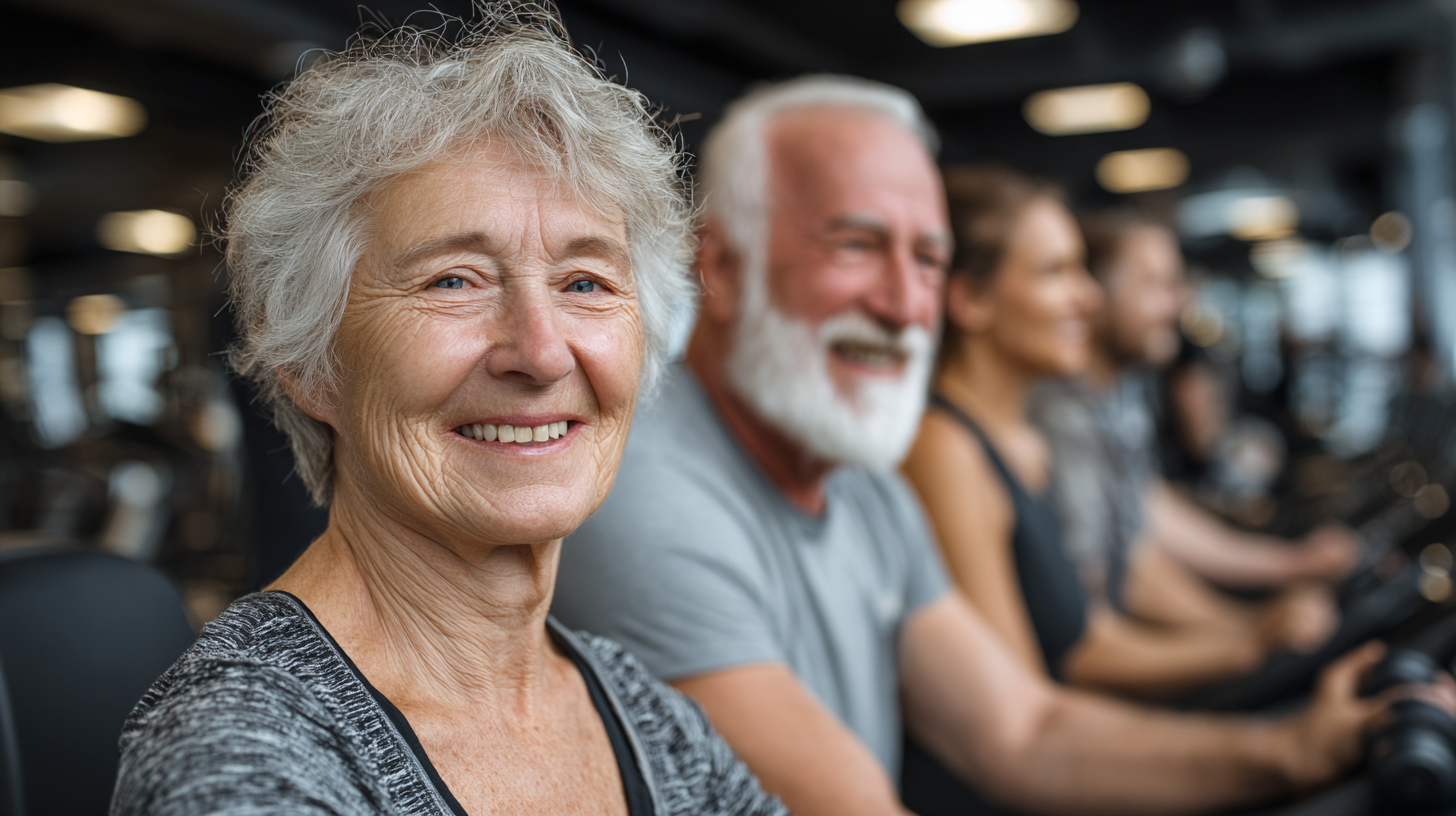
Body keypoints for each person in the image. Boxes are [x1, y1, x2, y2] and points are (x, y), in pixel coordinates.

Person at [553, 74, 1445, 816]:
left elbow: (1024, 733)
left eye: (929, 259)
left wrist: (1295, 747)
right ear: (723, 265)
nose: (907, 306)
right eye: (858, 245)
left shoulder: (860, 485)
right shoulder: (646, 491)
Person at [111, 10, 786, 816]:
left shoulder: (646, 718)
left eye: (585, 283)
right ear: (310, 364)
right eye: (454, 281)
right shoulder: (240, 757)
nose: (539, 352)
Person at [901, 165, 1337, 710]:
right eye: (1055, 271)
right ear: (969, 299)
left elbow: (1119, 566)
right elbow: (1023, 720)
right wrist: (1248, 640)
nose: (1088, 297)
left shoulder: (1023, 443)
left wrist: (1256, 620)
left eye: (1081, 270)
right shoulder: (946, 449)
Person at [1030, 211, 1358, 622]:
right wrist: (1251, 631)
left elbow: (1145, 517)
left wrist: (1290, 564)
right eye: (1155, 285)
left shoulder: (1116, 395)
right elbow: (1124, 576)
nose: (1179, 303)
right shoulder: (1057, 411)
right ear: (1093, 294)